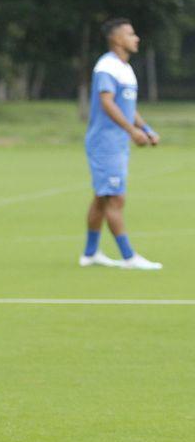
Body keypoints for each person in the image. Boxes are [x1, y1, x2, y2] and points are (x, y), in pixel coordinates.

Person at [80, 18, 162, 270]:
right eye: (131, 34)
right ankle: (129, 257)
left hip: (116, 142)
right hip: (105, 143)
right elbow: (107, 102)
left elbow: (128, 106)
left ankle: (90, 253)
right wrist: (131, 131)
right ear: (117, 39)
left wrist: (145, 129)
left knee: (102, 198)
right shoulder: (106, 66)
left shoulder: (125, 68)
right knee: (115, 199)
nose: (136, 38)